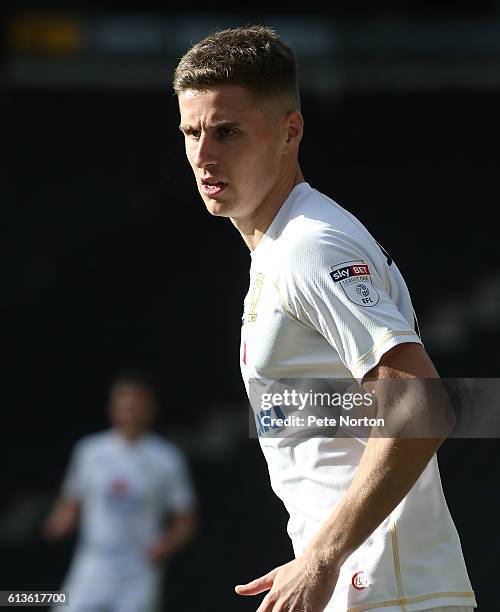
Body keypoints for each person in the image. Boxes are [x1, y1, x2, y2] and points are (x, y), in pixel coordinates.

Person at [173, 25, 476, 612]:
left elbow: (422, 403)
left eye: (228, 132)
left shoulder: (310, 247)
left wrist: (320, 558)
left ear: (291, 132)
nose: (204, 155)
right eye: (191, 132)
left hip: (387, 591)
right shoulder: (283, 247)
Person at [43, 371, 197, 612]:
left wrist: (165, 546)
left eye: (137, 403)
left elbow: (185, 520)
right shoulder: (89, 452)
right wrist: (56, 525)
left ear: (150, 408)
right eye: (124, 403)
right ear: (111, 407)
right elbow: (70, 503)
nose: (130, 410)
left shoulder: (166, 458)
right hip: (93, 562)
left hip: (138, 568)